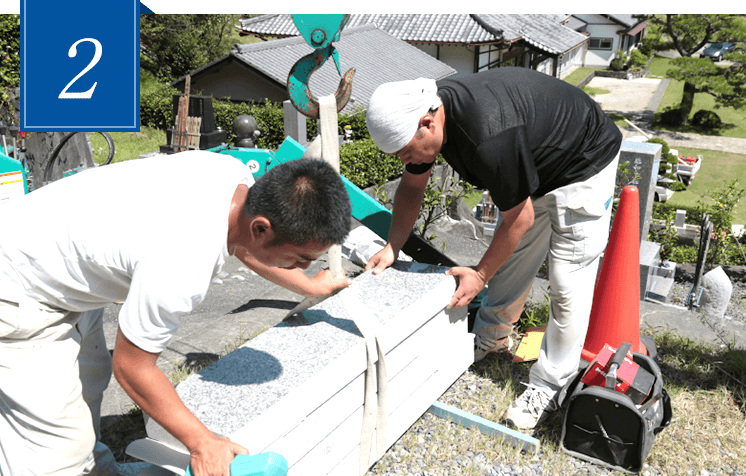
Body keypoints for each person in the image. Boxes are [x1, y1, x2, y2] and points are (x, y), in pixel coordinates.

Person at [0, 150, 352, 476]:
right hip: (17, 289)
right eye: (301, 258)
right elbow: (132, 367)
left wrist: (307, 287)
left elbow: (244, 245)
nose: (305, 265)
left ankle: (92, 467)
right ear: (262, 227)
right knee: (56, 449)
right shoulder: (182, 260)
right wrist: (202, 444)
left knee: (88, 381)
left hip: (50, 252)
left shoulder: (233, 179)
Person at [364, 67, 622, 430]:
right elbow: (412, 187)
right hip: (537, 157)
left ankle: (551, 383)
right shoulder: (433, 114)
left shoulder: (487, 135)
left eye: (405, 150)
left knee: (567, 280)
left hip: (583, 158)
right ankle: (492, 338)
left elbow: (520, 218)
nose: (405, 160)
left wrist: (480, 276)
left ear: (427, 122)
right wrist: (393, 246)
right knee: (514, 254)